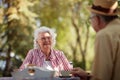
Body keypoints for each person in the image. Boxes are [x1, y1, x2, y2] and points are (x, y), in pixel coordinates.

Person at [71, 0, 120, 80]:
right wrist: (87, 75)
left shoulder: (104, 35)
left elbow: (101, 78)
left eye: (91, 18)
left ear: (97, 19)